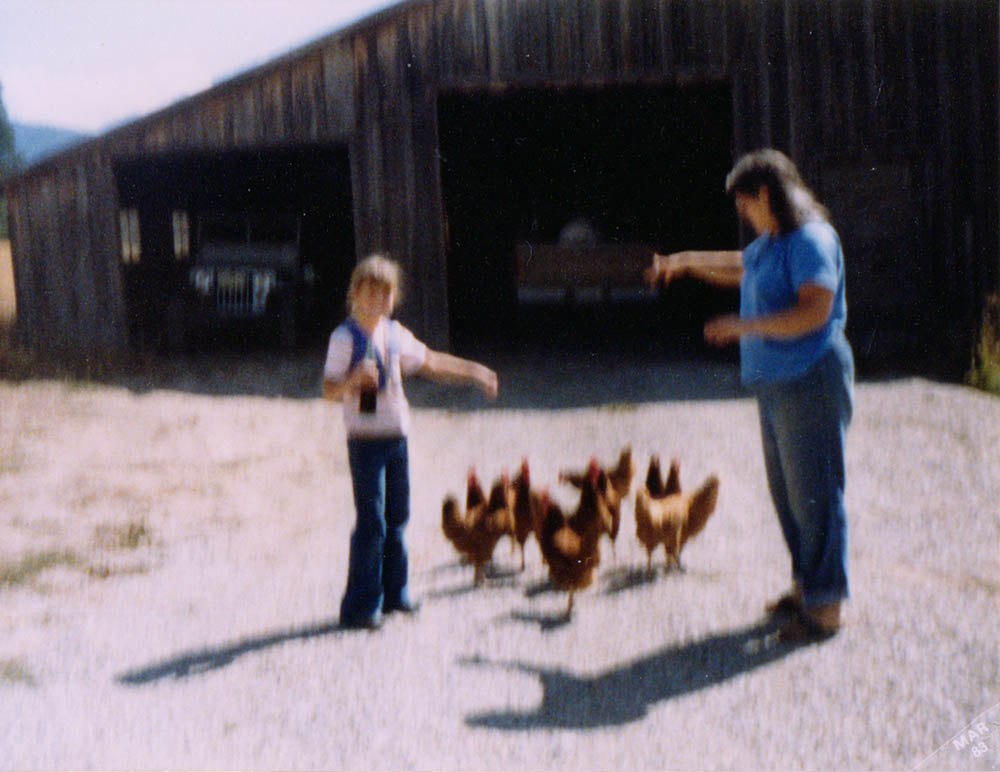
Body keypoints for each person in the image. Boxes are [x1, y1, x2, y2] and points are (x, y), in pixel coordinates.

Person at [646, 149, 854, 642]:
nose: (744, 214)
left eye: (745, 204)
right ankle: (808, 586)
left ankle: (826, 610)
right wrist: (685, 263)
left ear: (765, 194)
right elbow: (743, 267)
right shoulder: (773, 242)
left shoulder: (811, 240)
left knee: (816, 494)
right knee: (789, 495)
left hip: (810, 378)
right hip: (778, 385)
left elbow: (814, 311)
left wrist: (745, 325)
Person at [322, 254, 498, 630]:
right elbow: (327, 390)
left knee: (398, 518)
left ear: (394, 298)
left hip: (396, 439)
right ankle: (359, 607)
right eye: (371, 294)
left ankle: (394, 593)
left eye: (386, 296)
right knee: (372, 523)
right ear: (355, 293)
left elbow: (432, 362)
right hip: (365, 442)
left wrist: (476, 372)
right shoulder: (343, 338)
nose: (379, 303)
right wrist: (352, 380)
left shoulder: (394, 334)